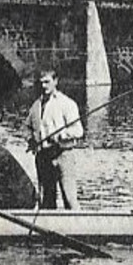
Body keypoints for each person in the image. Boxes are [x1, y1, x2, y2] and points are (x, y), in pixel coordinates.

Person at [26, 69, 83, 209]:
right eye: (41, 83)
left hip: (63, 155)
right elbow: (27, 127)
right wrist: (31, 139)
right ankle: (48, 227)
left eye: (47, 82)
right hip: (43, 156)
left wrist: (60, 136)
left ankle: (78, 227)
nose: (44, 86)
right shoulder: (35, 106)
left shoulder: (67, 103)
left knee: (69, 197)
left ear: (55, 82)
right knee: (46, 200)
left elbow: (78, 130)